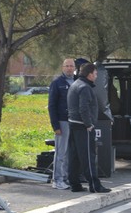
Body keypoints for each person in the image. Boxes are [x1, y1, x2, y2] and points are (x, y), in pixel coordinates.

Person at [67, 62, 111, 193]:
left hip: (73, 124)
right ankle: (95, 185)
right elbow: (83, 108)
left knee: (74, 157)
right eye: (96, 73)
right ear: (90, 74)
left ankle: (74, 184)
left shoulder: (75, 84)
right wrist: (89, 124)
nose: (96, 76)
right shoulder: (84, 87)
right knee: (88, 156)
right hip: (83, 127)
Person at [47, 58, 76, 190]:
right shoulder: (57, 83)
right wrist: (56, 126)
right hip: (62, 122)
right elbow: (51, 106)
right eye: (67, 66)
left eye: (71, 66)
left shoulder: (77, 82)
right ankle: (57, 179)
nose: (69, 68)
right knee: (61, 152)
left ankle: (66, 178)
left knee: (70, 152)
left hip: (74, 121)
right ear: (63, 68)